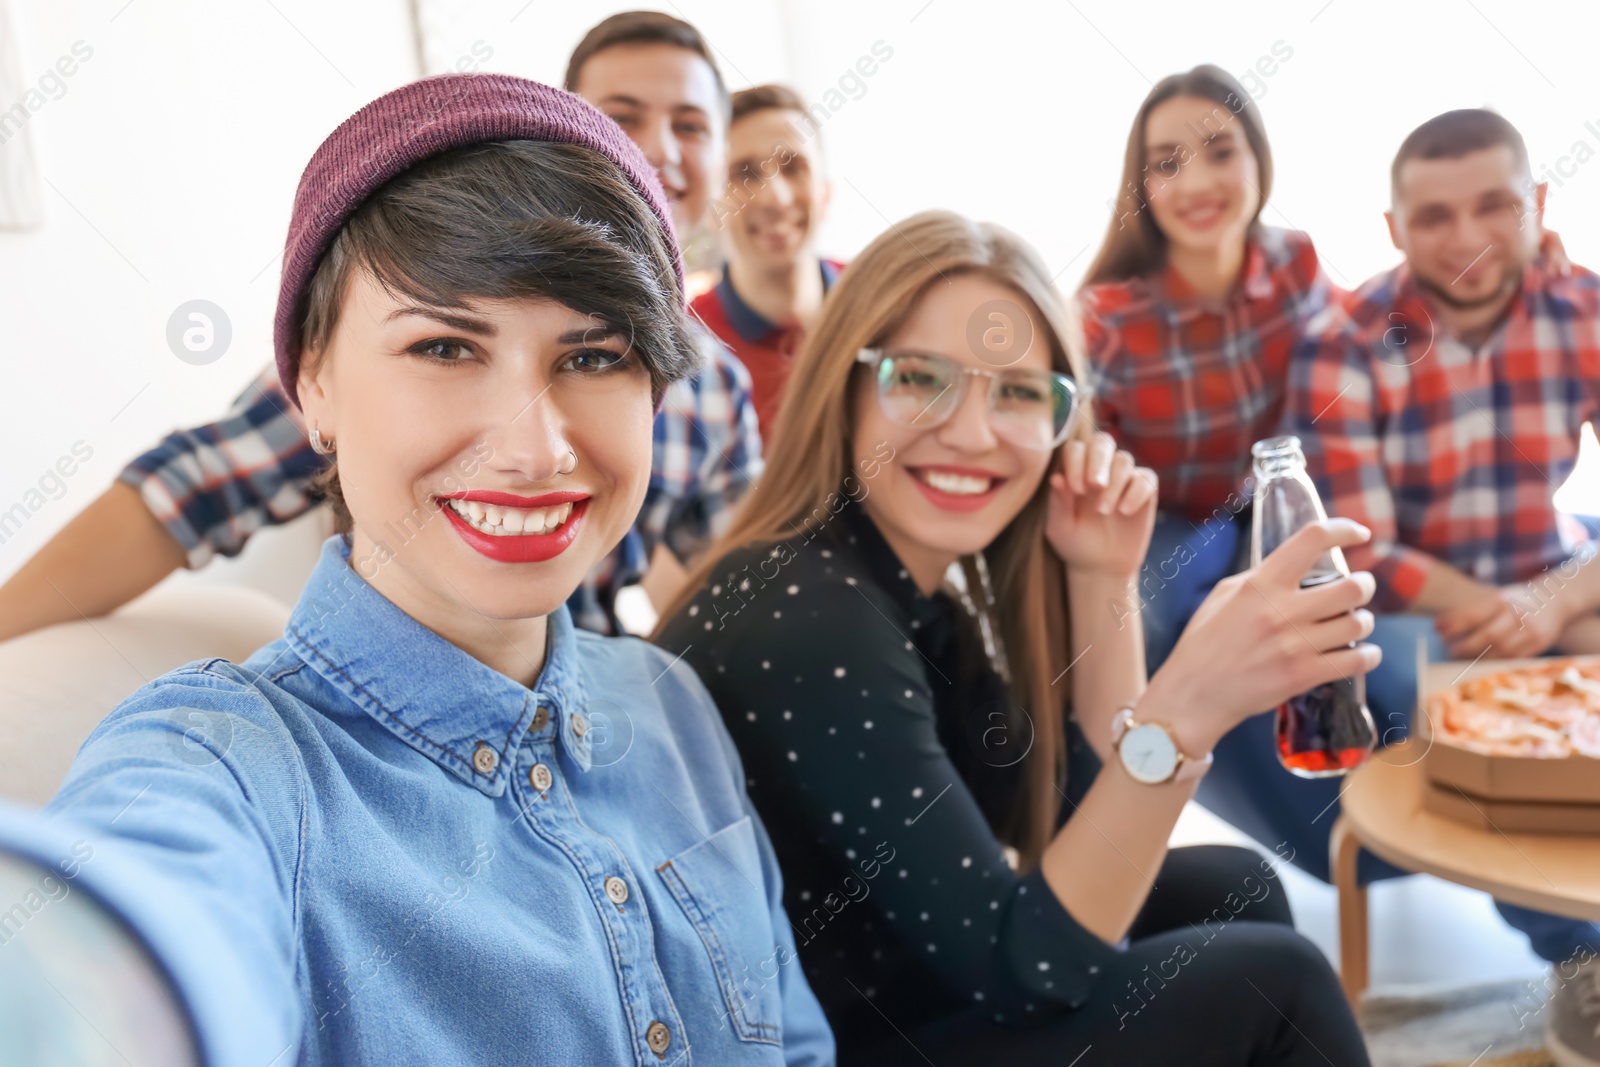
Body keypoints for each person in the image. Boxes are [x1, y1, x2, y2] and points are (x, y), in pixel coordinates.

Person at [0, 74, 833, 1066]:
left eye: (595, 356)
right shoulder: (224, 760)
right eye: (444, 345)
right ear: (312, 383)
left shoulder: (672, 704)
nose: (535, 448)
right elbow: (137, 944)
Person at [653, 209, 1379, 1064]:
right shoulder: (812, 618)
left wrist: (1101, 573)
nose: (971, 431)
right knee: (1276, 982)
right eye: (920, 378)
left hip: (901, 993)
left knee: (1234, 885)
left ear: (1064, 421)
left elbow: (1080, 814)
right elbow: (1030, 965)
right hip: (823, 1044)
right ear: (843, 386)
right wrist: (1188, 709)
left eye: (1018, 391)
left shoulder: (909, 597)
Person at [0, 9, 760, 642]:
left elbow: (729, 587)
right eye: (624, 118)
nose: (659, 149)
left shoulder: (721, 384)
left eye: (690, 125)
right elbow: (190, 491)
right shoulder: (376, 329)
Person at [1282, 107, 1600, 1065]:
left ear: (1538, 204)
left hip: (1551, 575)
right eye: (1433, 217)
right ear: (1392, 228)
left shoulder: (1582, 307)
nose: (1465, 240)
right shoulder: (1345, 339)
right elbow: (1360, 546)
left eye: (1494, 206)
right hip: (1410, 610)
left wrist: (1559, 596)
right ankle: (1583, 956)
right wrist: (1518, 615)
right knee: (1476, 715)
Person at [692, 83, 845, 440]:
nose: (775, 196)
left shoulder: (887, 302)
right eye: (744, 173)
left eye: (794, 168)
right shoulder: (688, 352)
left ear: (824, 193)